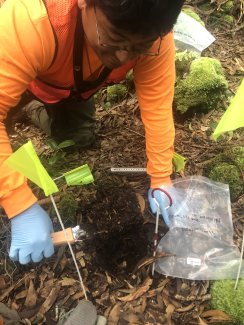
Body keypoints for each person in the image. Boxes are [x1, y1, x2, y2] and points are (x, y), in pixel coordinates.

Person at [0, 0, 185, 264]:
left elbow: (157, 107)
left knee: (78, 136)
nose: (124, 57)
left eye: (137, 48)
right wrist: (19, 205)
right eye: (114, 38)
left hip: (67, 87)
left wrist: (161, 177)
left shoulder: (153, 37)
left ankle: (34, 108)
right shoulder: (30, 18)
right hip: (19, 63)